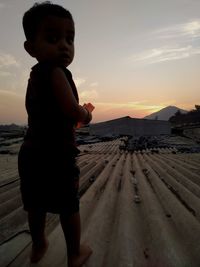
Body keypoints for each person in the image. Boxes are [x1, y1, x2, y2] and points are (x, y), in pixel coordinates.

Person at [18, 2, 93, 266]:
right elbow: (71, 110)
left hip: (31, 151)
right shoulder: (56, 72)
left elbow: (47, 113)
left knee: (35, 204)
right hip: (57, 155)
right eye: (53, 38)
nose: (64, 45)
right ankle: (75, 253)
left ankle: (39, 245)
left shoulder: (34, 77)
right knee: (68, 205)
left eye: (69, 39)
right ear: (31, 47)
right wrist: (85, 114)